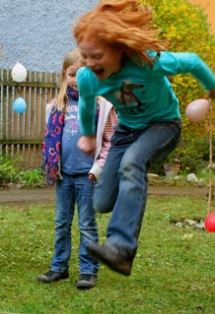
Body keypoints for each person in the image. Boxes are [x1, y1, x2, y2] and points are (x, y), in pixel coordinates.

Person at [73, 0, 215, 276]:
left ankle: (121, 247)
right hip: (126, 131)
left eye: (97, 56)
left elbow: (193, 62)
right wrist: (88, 135)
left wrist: (212, 87)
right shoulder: (87, 76)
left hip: (163, 125)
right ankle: (122, 249)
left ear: (119, 49)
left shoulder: (148, 62)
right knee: (101, 202)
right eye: (85, 56)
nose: (90, 63)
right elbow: (86, 104)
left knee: (132, 163)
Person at [37, 48, 117, 290]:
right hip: (64, 176)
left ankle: (89, 270)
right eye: (73, 74)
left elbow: (111, 142)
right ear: (65, 74)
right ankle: (59, 266)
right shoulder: (55, 106)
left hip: (88, 176)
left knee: (86, 224)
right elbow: (50, 140)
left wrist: (99, 169)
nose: (78, 79)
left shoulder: (103, 106)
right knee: (61, 222)